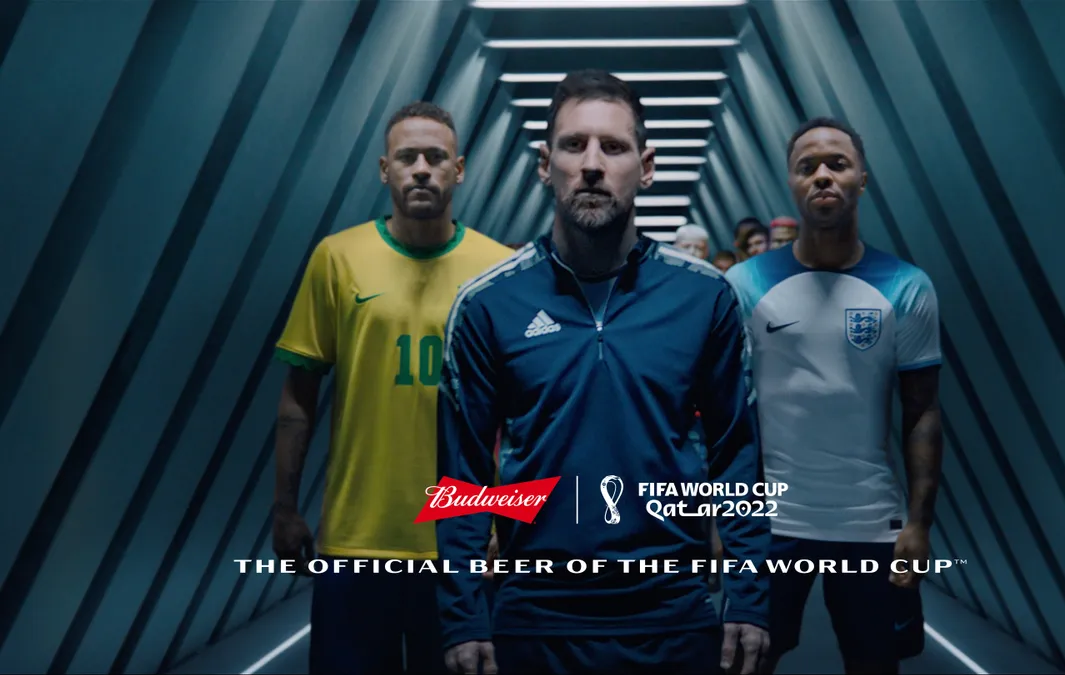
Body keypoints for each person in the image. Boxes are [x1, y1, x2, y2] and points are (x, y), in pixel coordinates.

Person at [436, 69, 770, 675]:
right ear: (545, 164)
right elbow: (460, 476)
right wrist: (463, 614)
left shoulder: (706, 298)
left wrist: (749, 594)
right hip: (535, 618)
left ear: (646, 167)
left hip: (674, 614)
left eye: (613, 147)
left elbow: (737, 456)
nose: (592, 164)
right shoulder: (487, 304)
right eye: (573, 145)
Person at [272, 101, 514, 674]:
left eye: (436, 157)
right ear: (385, 170)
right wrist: (284, 507)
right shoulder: (338, 258)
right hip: (357, 540)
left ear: (459, 169)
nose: (422, 169)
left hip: (461, 544)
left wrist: (507, 518)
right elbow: (297, 399)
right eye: (408, 158)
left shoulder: (499, 270)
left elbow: (517, 418)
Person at [725, 116, 943, 675]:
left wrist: (919, 523)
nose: (823, 176)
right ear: (792, 183)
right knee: (743, 663)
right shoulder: (744, 284)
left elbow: (922, 412)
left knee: (874, 665)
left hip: (870, 524)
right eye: (808, 167)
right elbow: (720, 415)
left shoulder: (907, 286)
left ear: (862, 180)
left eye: (838, 165)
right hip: (769, 521)